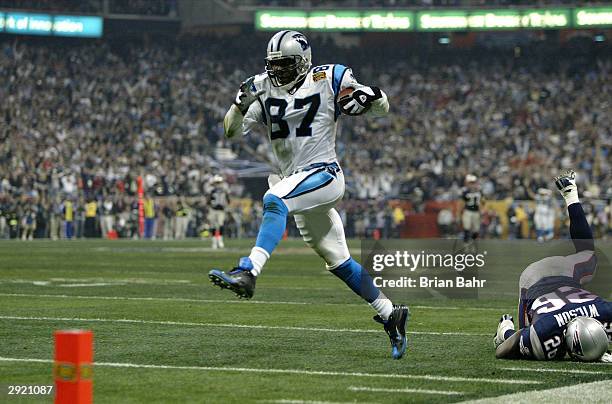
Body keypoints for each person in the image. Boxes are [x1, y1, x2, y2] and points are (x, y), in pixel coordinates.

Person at [208, 30, 409, 359]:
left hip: (324, 174)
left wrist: (371, 95)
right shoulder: (262, 86)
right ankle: (391, 314)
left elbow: (380, 107)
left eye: (284, 64)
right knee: (340, 262)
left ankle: (249, 270)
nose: (277, 71)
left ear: (303, 62)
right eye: (273, 64)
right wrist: (237, 104)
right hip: (298, 183)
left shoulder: (329, 76)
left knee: (275, 200)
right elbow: (230, 131)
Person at [494, 170, 612, 362]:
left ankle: (571, 193)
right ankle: (503, 328)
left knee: (588, 255)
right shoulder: (546, 332)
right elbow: (504, 349)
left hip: (561, 272)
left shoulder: (604, 312)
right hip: (534, 280)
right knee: (523, 334)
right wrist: (507, 333)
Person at [208, 175, 230, 249]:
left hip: (221, 210)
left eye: (219, 182)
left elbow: (228, 200)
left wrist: (225, 206)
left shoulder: (224, 191)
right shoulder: (212, 191)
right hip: (213, 210)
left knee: (220, 225)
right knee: (213, 226)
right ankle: (214, 242)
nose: (218, 184)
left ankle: (220, 241)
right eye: (217, 183)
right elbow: (208, 201)